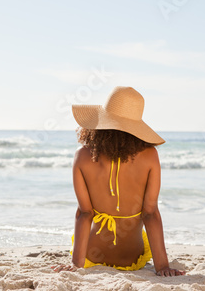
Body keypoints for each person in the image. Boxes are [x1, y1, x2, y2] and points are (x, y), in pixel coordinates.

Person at [52, 86, 185, 276]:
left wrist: (76, 264)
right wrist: (162, 266)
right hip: (133, 260)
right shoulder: (149, 156)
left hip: (92, 257)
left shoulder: (82, 156)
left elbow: (84, 213)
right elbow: (150, 213)